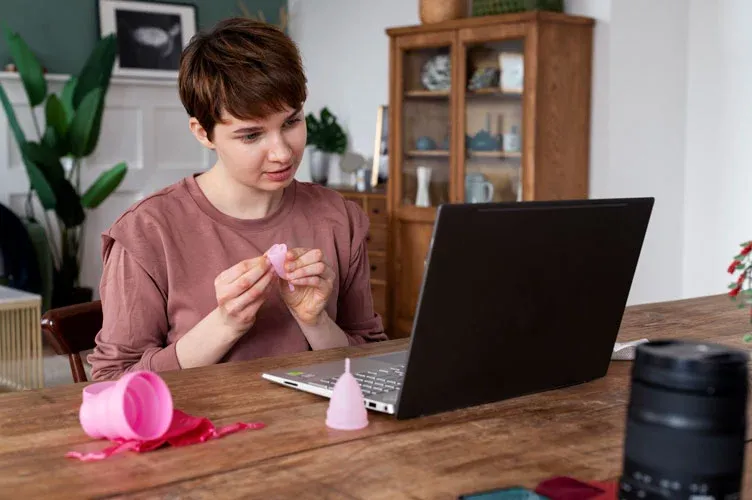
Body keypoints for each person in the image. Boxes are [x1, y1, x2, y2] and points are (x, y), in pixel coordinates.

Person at [87, 18, 387, 381]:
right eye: (251, 135)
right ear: (203, 133)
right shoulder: (146, 232)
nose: (281, 153)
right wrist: (224, 324)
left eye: (291, 122)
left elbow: (372, 363)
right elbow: (111, 384)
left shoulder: (339, 219)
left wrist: (316, 321)